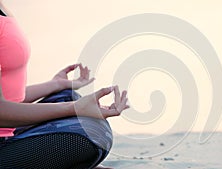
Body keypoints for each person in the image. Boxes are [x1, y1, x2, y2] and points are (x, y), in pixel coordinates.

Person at [0, 1, 129, 169]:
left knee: (67, 96)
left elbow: (9, 98)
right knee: (88, 133)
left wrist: (55, 85)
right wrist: (74, 108)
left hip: (11, 132)